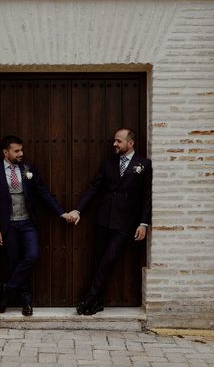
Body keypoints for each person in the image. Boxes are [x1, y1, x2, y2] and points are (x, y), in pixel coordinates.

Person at [66, 128, 152, 315]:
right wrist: (78, 209)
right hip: (103, 220)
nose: (114, 144)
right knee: (98, 262)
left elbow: (147, 197)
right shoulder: (108, 163)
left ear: (130, 143)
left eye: (118, 141)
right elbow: (94, 188)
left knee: (108, 261)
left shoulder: (143, 164)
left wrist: (143, 223)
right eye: (114, 140)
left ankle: (88, 300)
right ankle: (97, 303)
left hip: (125, 224)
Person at [0, 135, 72, 316]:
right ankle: (26, 302)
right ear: (6, 152)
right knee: (14, 262)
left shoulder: (27, 168)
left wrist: (61, 212)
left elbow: (43, 192)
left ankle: (8, 289)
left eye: (21, 150)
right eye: (16, 151)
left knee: (32, 255)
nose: (21, 153)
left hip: (27, 223)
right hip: (8, 225)